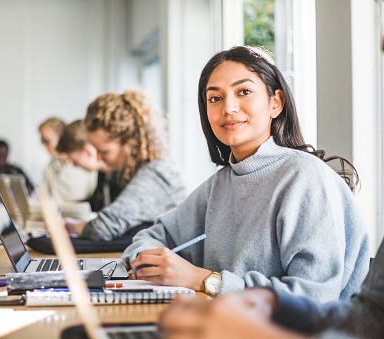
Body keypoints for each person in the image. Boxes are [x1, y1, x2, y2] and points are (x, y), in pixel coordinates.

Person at [122, 46, 369, 302]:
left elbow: (313, 298)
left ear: (276, 103)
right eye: (215, 98)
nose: (228, 108)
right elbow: (152, 236)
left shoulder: (305, 177)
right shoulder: (219, 184)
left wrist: (205, 280)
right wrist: (147, 262)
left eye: (244, 92)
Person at [158, 238, 384, 339]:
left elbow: (319, 295)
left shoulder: (304, 176)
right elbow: (370, 317)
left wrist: (257, 335)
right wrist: (275, 302)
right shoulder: (218, 182)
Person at [64, 89, 187, 241]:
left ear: (129, 142)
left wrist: (74, 227)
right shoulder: (139, 172)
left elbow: (103, 228)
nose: (98, 157)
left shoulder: (156, 174)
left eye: (104, 152)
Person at [55, 119, 123, 212]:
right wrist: (59, 207)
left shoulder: (122, 176)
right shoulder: (102, 174)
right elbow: (94, 204)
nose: (75, 165)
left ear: (88, 151)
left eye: (74, 160)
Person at [39, 117, 97, 204]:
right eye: (42, 142)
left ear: (60, 137)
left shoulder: (86, 163)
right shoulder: (49, 168)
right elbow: (44, 198)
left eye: (47, 141)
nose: (44, 146)